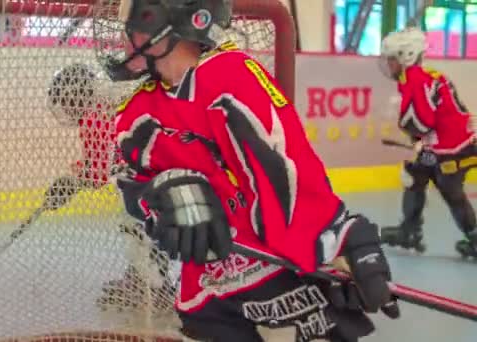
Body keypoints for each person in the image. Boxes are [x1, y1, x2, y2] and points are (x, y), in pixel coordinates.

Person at [94, 0, 400, 341]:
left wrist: (338, 238)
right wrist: (160, 197)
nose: (124, 35)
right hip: (206, 294)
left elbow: (282, 165)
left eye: (137, 21)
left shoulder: (229, 74)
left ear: (182, 23)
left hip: (278, 275)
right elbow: (131, 184)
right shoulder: (136, 113)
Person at [47, 62, 176, 311]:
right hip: (159, 172)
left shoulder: (94, 116)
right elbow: (103, 162)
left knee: (137, 228)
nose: (64, 108)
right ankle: (143, 280)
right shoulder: (108, 103)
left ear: (75, 97)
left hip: (151, 178)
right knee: (142, 230)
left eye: (65, 102)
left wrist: (70, 184)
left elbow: (96, 174)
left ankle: (157, 289)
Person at [378, 27, 477, 258]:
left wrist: (416, 135)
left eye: (392, 59)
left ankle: (474, 237)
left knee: (449, 188)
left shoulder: (416, 80)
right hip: (444, 143)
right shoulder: (417, 77)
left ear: (407, 57)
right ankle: (410, 231)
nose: (388, 64)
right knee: (416, 174)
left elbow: (423, 121)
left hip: (454, 147)